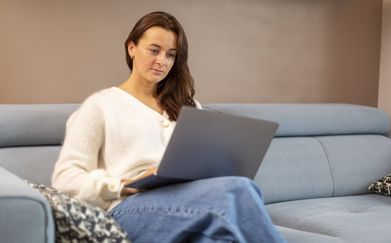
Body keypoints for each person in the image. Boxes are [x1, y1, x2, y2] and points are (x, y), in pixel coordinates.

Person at [52, 11, 285, 243]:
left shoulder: (188, 106)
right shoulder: (100, 105)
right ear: (131, 47)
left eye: (171, 55)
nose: (162, 61)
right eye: (154, 50)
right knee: (240, 190)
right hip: (127, 209)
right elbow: (64, 179)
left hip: (185, 201)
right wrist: (120, 185)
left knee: (219, 236)